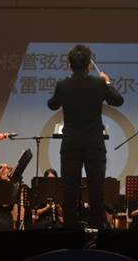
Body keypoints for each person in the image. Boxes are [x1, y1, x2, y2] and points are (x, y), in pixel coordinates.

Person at [47, 44, 124, 229]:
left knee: (69, 192)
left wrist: (61, 93)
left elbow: (52, 104)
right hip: (94, 144)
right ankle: (96, 233)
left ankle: (70, 232)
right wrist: (107, 82)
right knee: (97, 191)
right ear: (89, 65)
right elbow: (118, 100)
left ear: (69, 65)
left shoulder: (63, 85)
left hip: (71, 145)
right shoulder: (99, 83)